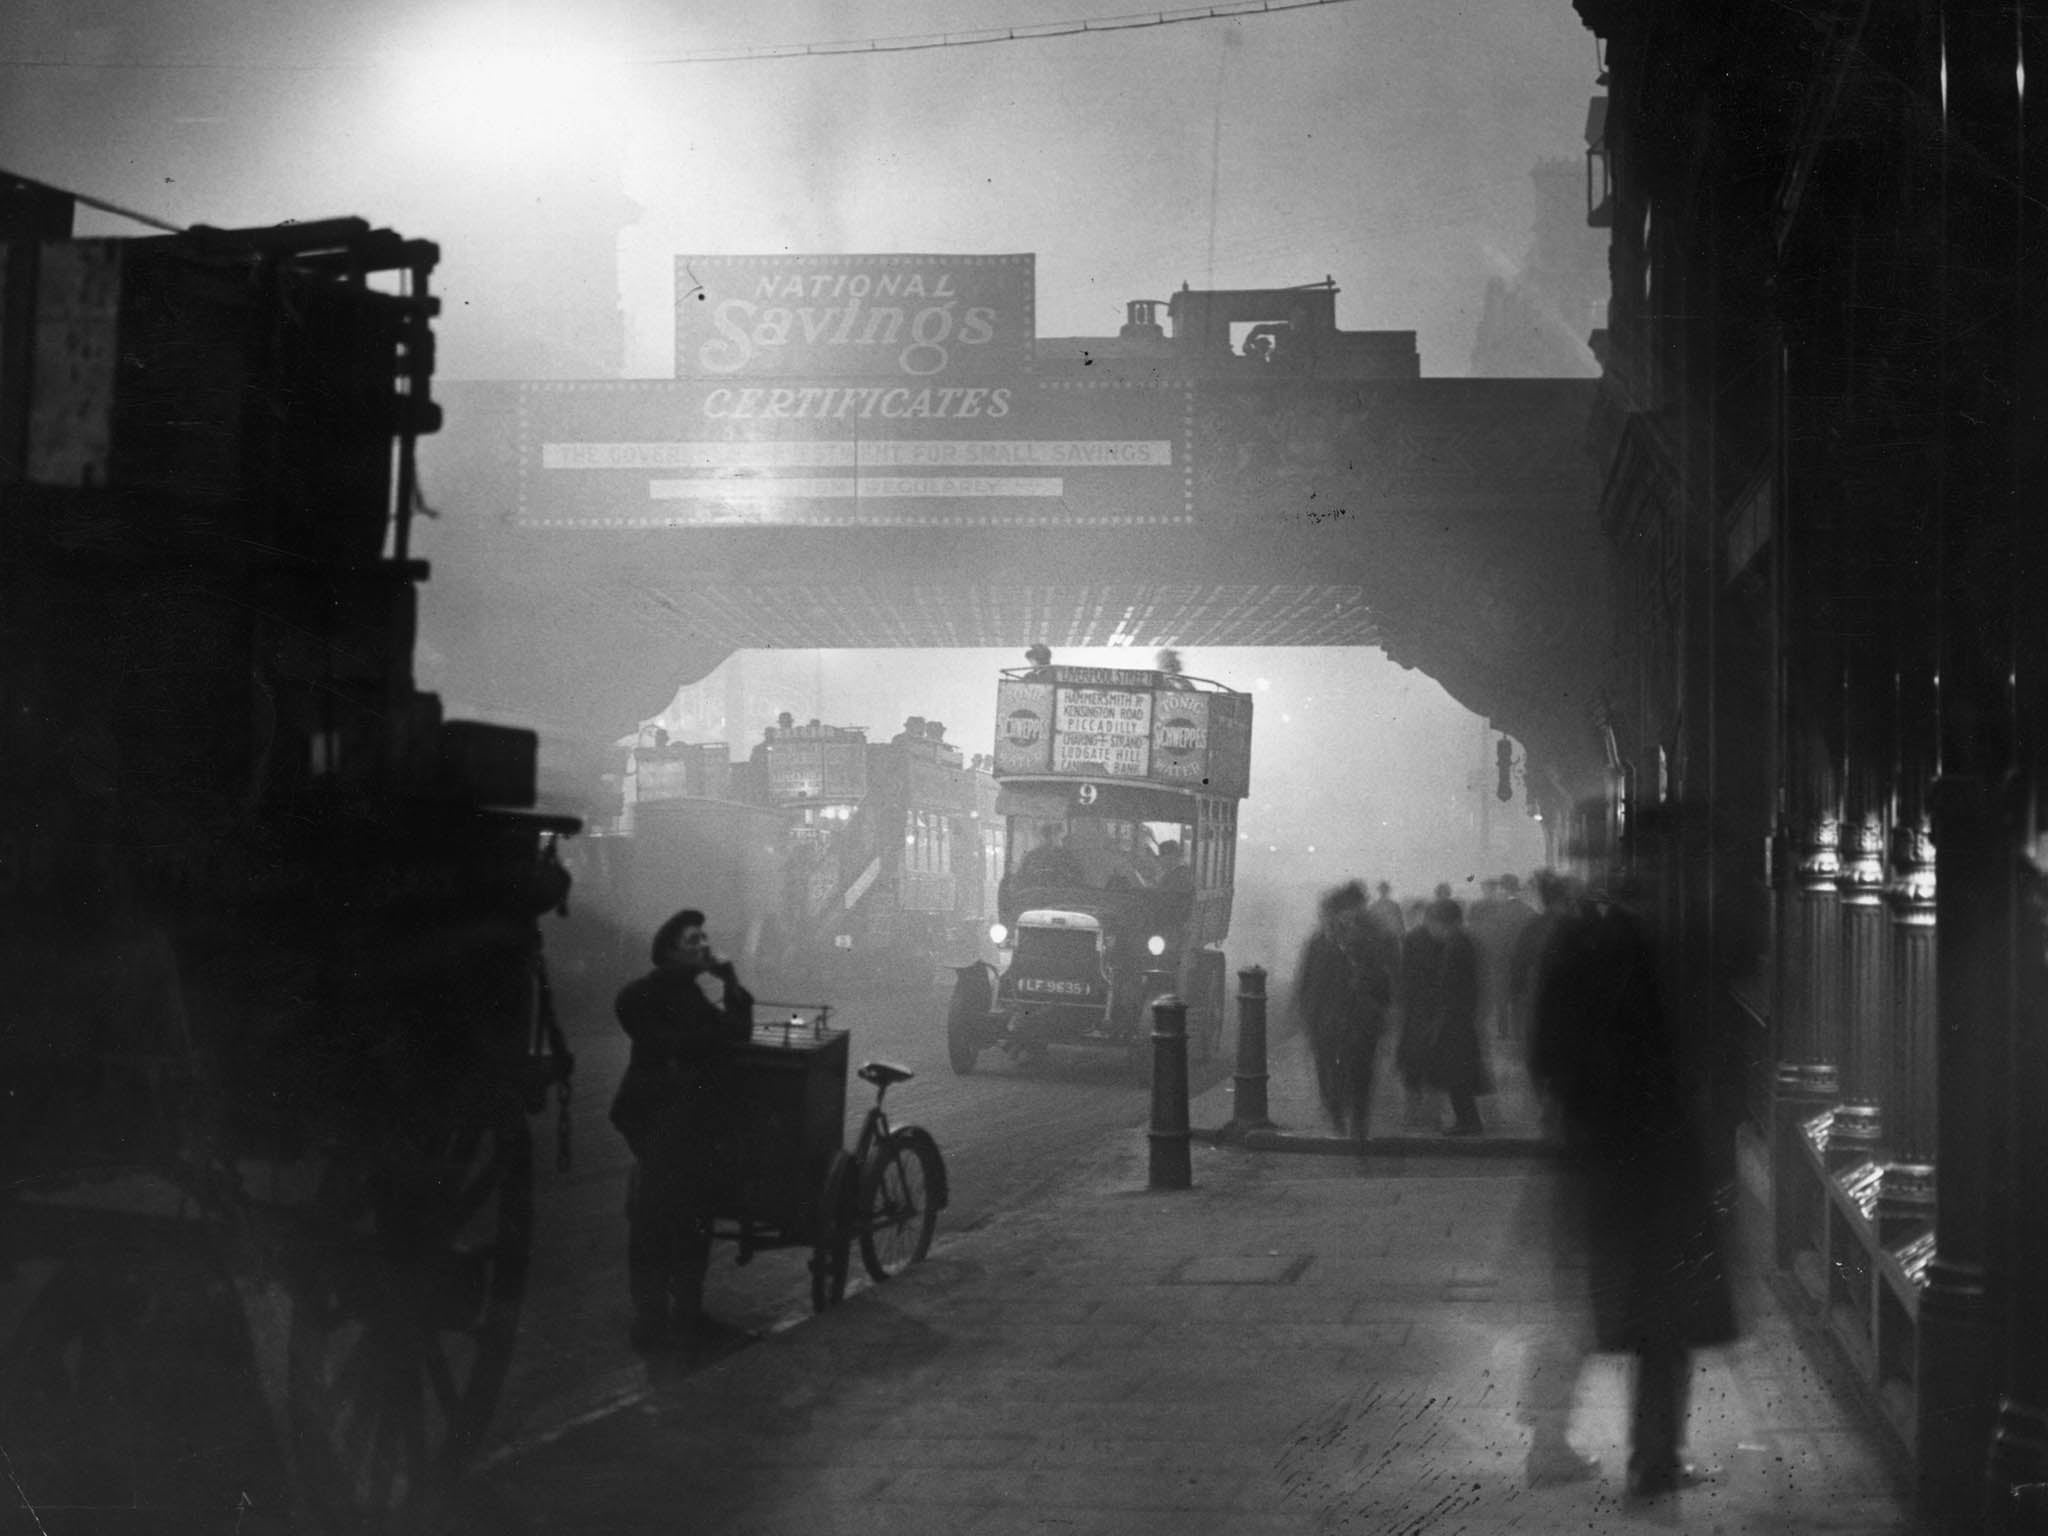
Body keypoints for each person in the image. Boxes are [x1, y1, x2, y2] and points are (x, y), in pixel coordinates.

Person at [1520, 825, 1736, 1501]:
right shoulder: (1671, 946)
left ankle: (1551, 1445)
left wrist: (1574, 1114)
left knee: (1581, 1307)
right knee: (1661, 1320)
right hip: (1658, 1162)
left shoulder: (1575, 941)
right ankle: (1652, 1464)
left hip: (1591, 1155)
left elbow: (1542, 1053)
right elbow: (1703, 1055)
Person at [610, 908, 755, 1353]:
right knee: (657, 1224)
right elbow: (700, 1039)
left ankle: (683, 1316)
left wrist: (730, 982)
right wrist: (697, 1044)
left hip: (692, 1128)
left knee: (690, 1224)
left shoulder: (694, 996)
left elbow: (736, 1033)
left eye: (704, 939)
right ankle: (653, 1320)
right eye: (693, 941)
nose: (704, 946)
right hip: (661, 1126)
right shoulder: (647, 994)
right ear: (670, 951)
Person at [1294, 881, 1392, 1151]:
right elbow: (1308, 980)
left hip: (1359, 1019)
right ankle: (1337, 1113)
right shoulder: (1320, 940)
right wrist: (1306, 1012)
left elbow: (1387, 981)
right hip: (1327, 1020)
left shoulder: (1374, 938)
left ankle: (1358, 1125)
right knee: (1330, 1072)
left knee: (1360, 1073)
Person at [1399, 897, 1490, 1134]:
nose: (1430, 930)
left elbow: (1450, 988)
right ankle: (1466, 1121)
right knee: (1457, 1074)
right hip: (1457, 1019)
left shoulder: (1456, 947)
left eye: (1433, 925)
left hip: (1453, 1021)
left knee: (1457, 1074)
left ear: (1443, 923)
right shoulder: (1461, 943)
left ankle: (1468, 1123)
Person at [1013, 823, 1083, 889]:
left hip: (1060, 896)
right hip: (1038, 897)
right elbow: (1020, 881)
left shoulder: (1066, 856)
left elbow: (1076, 879)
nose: (1051, 838)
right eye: (1048, 835)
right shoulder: (1031, 856)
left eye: (1055, 834)